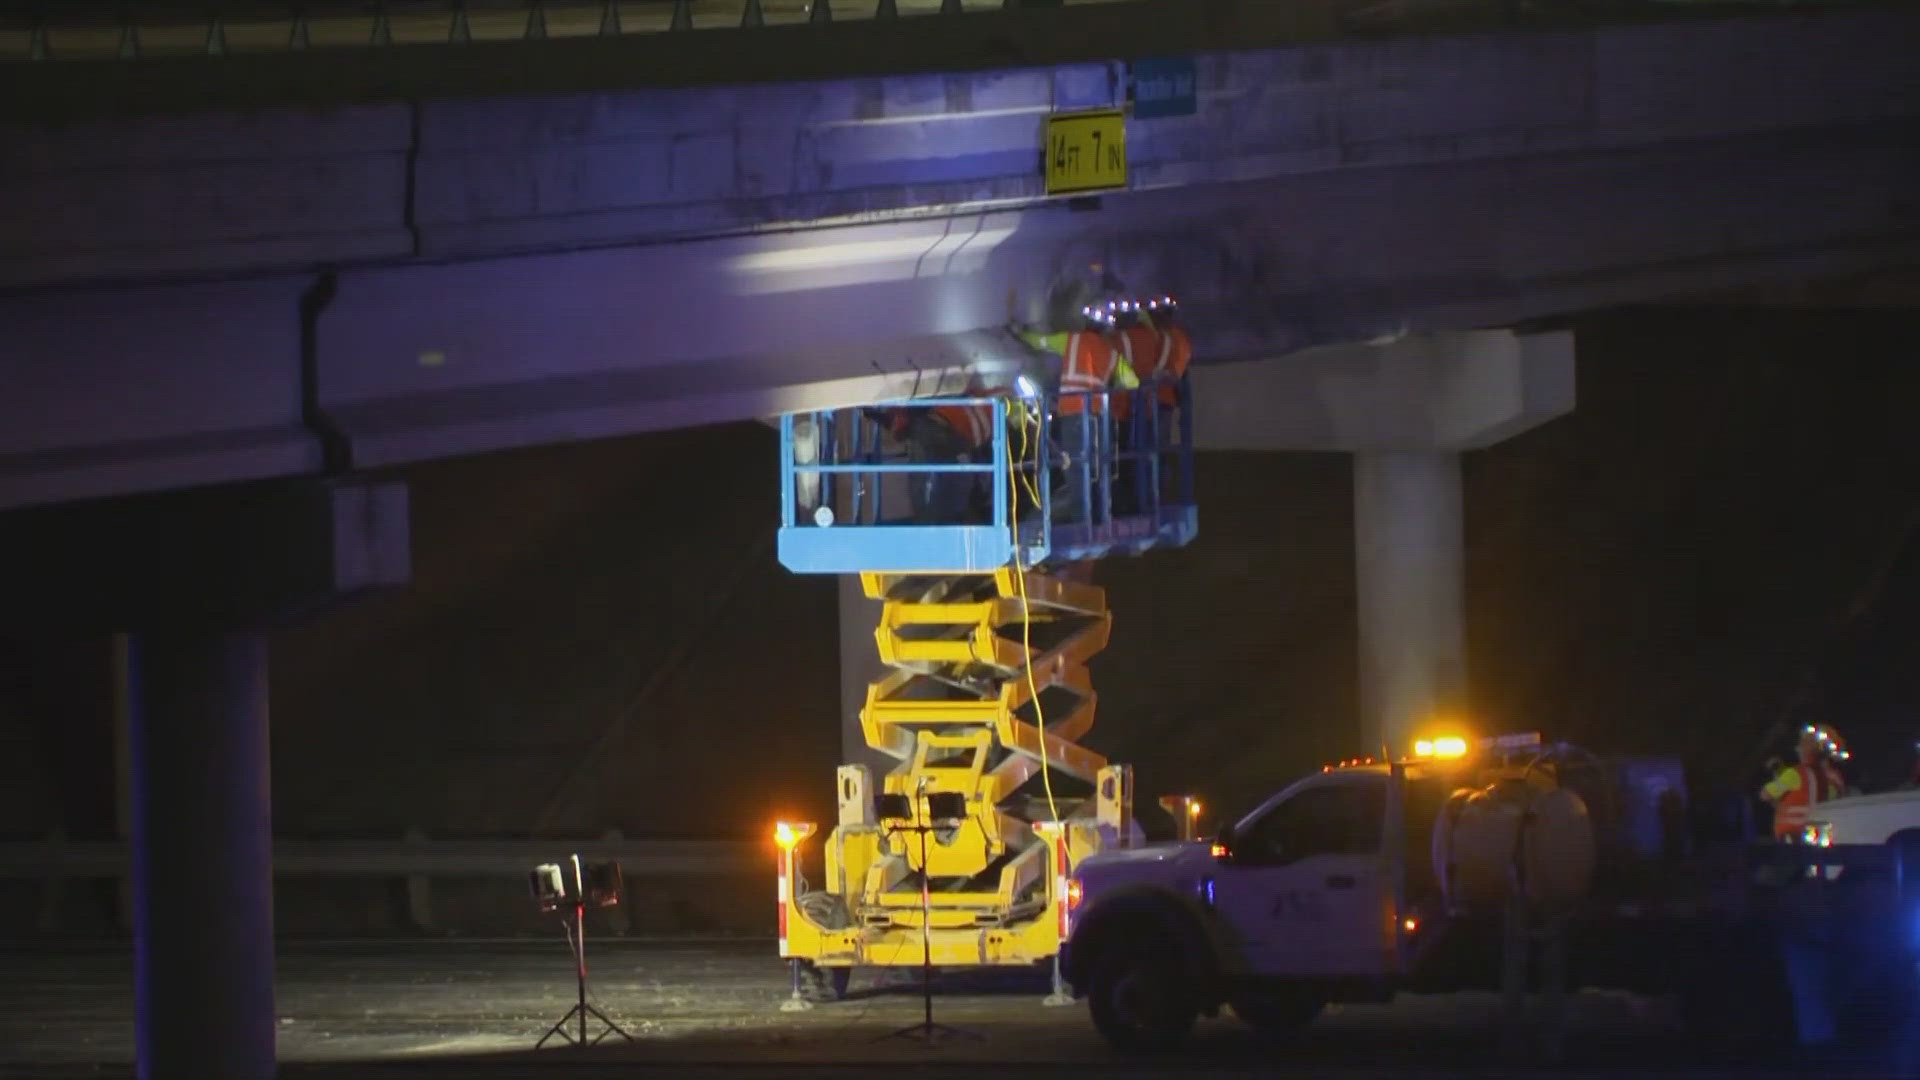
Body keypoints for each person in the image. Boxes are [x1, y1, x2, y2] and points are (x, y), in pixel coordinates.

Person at [1013, 285, 1138, 523]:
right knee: (1096, 467)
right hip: (1099, 417)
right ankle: (1097, 515)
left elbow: (1040, 342)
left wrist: (1018, 332)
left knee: (1076, 470)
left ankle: (1081, 518)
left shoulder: (1072, 340)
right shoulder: (1110, 352)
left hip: (1073, 413)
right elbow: (1132, 382)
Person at [1761, 724, 1851, 841]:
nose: (1798, 748)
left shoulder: (1799, 773)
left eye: (1803, 744)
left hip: (1793, 835)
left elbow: (1766, 794)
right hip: (1816, 836)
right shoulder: (1827, 778)